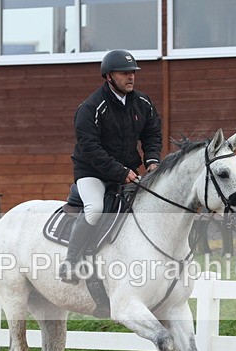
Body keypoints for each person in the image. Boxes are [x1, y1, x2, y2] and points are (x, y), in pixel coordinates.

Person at [59, 49, 163, 284]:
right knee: (95, 208)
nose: (131, 77)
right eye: (124, 73)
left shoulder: (143, 103)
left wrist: (152, 160)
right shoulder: (91, 107)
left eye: (133, 72)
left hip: (126, 172)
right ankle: (71, 262)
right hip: (92, 172)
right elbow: (90, 148)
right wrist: (121, 172)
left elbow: (153, 133)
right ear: (108, 76)